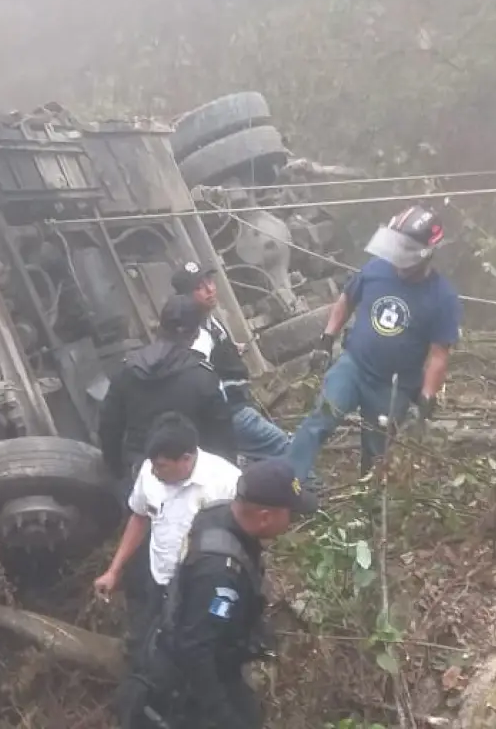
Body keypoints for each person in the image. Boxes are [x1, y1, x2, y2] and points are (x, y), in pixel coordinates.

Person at [118, 457, 316, 729]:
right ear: (265, 517)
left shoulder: (220, 515)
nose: (292, 521)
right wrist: (224, 718)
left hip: (202, 653)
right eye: (290, 514)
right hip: (185, 688)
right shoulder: (219, 573)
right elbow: (195, 651)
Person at [287, 206, 461, 483]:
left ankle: (365, 506)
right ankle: (287, 482)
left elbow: (439, 355)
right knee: (320, 419)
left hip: (393, 386)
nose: (397, 259)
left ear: (426, 254)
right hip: (353, 366)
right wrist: (326, 339)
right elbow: (346, 299)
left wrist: (427, 397)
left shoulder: (442, 298)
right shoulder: (376, 269)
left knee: (378, 451)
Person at [93, 413, 241, 655]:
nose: (153, 471)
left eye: (161, 466)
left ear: (186, 459)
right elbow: (139, 518)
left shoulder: (226, 483)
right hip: (158, 577)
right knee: (144, 640)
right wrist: (113, 571)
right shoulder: (149, 473)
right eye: (152, 463)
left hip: (199, 587)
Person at [98, 294, 237, 486]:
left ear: (159, 328)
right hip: (192, 475)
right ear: (196, 334)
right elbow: (222, 436)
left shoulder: (127, 371)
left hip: (141, 474)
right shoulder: (203, 376)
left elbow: (109, 427)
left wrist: (118, 472)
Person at [172, 262, 291, 462]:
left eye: (209, 281)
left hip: (239, 406)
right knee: (287, 448)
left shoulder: (209, 319)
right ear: (185, 297)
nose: (210, 289)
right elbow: (199, 379)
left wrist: (229, 350)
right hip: (232, 412)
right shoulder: (195, 333)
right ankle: (314, 489)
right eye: (200, 287)